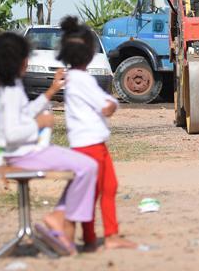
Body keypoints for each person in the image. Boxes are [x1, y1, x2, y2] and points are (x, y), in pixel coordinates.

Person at [0, 32, 98, 256]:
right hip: (23, 154)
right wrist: (38, 122)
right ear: (19, 61)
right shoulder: (10, 92)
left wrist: (50, 92)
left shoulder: (10, 87)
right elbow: (10, 134)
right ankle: (58, 218)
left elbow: (23, 113)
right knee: (88, 167)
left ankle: (59, 218)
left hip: (25, 151)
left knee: (84, 167)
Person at [57, 16, 137, 252]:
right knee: (103, 189)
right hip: (91, 146)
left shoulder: (72, 79)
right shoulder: (83, 80)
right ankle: (103, 236)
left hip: (87, 144)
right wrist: (112, 104)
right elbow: (105, 106)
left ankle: (95, 236)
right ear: (90, 53)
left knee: (98, 190)